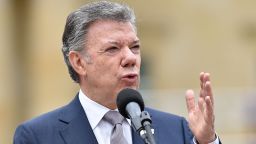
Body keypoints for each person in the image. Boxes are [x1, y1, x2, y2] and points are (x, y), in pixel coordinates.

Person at [14, 1, 221, 144]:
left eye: (135, 47)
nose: (131, 58)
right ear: (79, 62)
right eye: (113, 49)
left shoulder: (176, 130)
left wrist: (208, 140)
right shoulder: (37, 136)